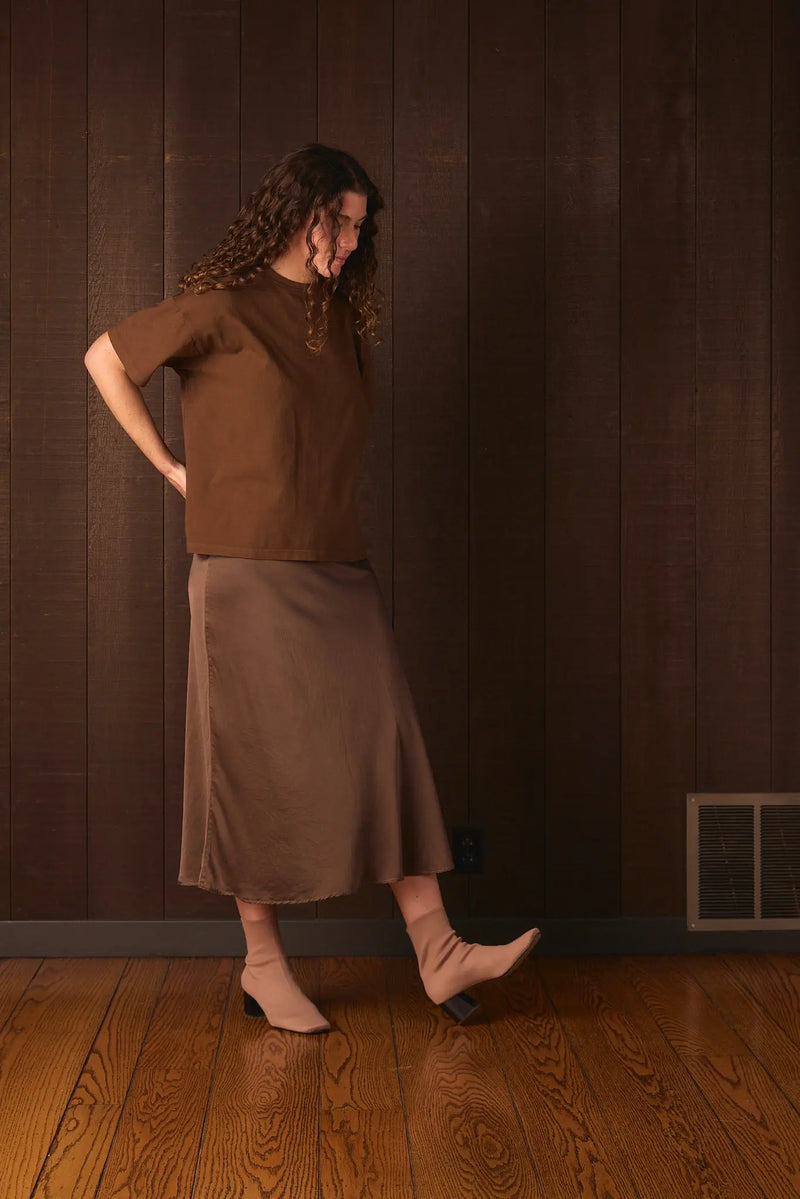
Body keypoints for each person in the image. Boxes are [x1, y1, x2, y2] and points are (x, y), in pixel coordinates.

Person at [84, 143, 540, 1035]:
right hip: (245, 572)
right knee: (251, 765)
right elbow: (105, 358)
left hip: (336, 566)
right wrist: (178, 470)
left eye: (364, 228)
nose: (351, 242)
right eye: (344, 222)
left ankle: (439, 952)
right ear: (303, 214)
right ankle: (263, 965)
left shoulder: (338, 324)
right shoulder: (224, 307)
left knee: (385, 740)